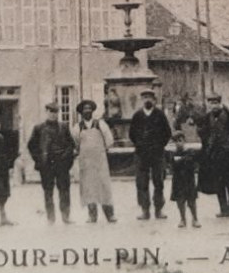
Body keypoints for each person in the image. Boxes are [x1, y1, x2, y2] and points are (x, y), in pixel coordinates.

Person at [27, 103, 77, 224]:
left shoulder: (64, 127)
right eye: (51, 112)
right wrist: (39, 160)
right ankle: (50, 217)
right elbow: (31, 146)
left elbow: (71, 144)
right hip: (47, 164)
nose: (53, 115)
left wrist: (66, 157)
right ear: (46, 112)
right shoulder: (39, 128)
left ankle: (66, 216)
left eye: (55, 112)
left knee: (64, 190)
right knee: (48, 191)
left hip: (62, 164)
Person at [127, 89, 173, 220]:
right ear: (142, 100)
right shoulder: (137, 116)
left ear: (154, 100)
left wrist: (159, 145)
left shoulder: (160, 115)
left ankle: (159, 209)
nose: (147, 100)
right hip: (141, 154)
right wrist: (140, 144)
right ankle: (145, 209)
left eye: (150, 97)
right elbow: (132, 134)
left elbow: (167, 133)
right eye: (145, 97)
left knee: (159, 181)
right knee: (142, 182)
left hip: (157, 154)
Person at [73, 99, 117, 222]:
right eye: (84, 109)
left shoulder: (100, 124)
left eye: (89, 109)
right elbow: (75, 144)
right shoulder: (77, 128)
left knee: (104, 186)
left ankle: (110, 214)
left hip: (100, 161)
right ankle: (92, 215)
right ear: (81, 112)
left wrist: (103, 150)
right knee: (89, 188)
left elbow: (109, 140)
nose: (87, 111)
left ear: (92, 111)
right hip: (86, 163)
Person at [197, 94, 229, 218]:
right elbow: (203, 134)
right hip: (214, 154)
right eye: (211, 103)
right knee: (218, 183)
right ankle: (223, 208)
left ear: (219, 103)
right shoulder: (207, 118)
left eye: (215, 102)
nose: (213, 105)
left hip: (228, 154)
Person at [170, 131, 201, 228]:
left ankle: (195, 218)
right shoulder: (173, 154)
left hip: (189, 179)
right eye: (176, 141)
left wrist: (180, 160)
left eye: (180, 140)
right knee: (180, 200)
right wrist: (183, 160)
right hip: (178, 180)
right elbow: (173, 165)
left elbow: (191, 162)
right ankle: (182, 219)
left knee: (191, 200)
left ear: (184, 141)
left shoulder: (190, 151)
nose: (178, 143)